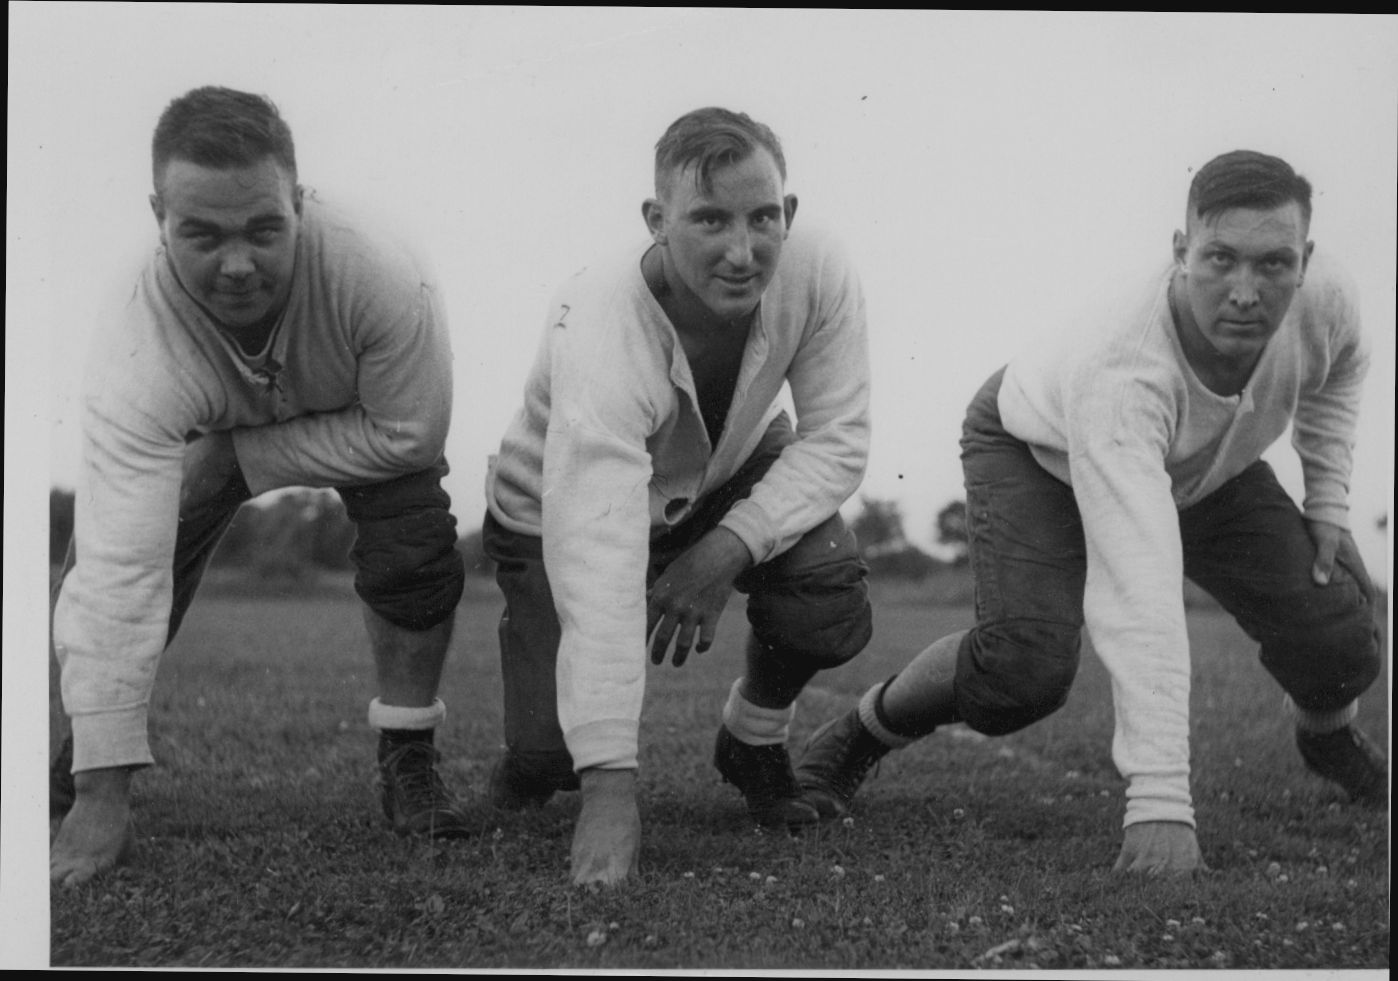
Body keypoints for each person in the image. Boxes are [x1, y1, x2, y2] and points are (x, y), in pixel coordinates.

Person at [795, 149, 1386, 875]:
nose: (1244, 291)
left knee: (1338, 634)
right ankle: (866, 728)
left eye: (1273, 264)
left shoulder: (1326, 297)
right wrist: (1161, 801)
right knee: (1023, 671)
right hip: (1041, 448)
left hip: (1199, 464)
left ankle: (1327, 736)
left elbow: (1341, 368)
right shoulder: (1124, 365)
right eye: (1220, 258)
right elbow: (1140, 590)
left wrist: (1328, 504)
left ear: (1306, 260)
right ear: (1180, 251)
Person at [49, 86, 470, 888]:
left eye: (264, 230)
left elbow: (411, 434)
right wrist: (104, 800)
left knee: (416, 537)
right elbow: (119, 569)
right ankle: (90, 753)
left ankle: (409, 755)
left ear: (300, 200)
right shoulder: (133, 332)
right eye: (201, 235)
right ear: (157, 214)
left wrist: (241, 458)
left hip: (363, 422)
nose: (238, 266)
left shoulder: (380, 269)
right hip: (203, 425)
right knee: (110, 555)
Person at [483, 107, 873, 886]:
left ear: (788, 213)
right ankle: (534, 761)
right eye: (708, 219)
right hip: (557, 509)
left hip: (724, 475)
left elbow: (837, 438)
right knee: (551, 754)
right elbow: (595, 551)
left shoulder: (820, 267)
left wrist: (722, 551)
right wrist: (610, 789)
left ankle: (754, 736)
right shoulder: (599, 315)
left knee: (827, 595)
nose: (741, 250)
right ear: (656, 221)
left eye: (763, 217)